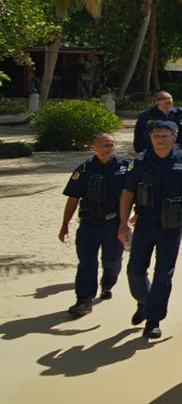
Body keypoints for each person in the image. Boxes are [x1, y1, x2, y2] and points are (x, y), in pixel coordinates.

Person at [118, 120, 182, 339]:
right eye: (156, 135)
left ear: (173, 138)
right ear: (150, 138)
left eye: (164, 135)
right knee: (135, 270)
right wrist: (123, 223)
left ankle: (153, 320)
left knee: (163, 273)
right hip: (145, 221)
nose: (159, 139)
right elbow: (128, 193)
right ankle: (145, 301)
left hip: (172, 224)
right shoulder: (140, 161)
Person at [59, 133, 132, 317]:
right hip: (89, 222)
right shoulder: (84, 169)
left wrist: (136, 214)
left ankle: (107, 285)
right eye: (104, 145)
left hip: (115, 223)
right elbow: (73, 198)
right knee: (87, 262)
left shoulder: (126, 167)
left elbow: (136, 193)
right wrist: (65, 224)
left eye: (111, 145)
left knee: (112, 261)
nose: (108, 149)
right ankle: (84, 301)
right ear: (94, 148)